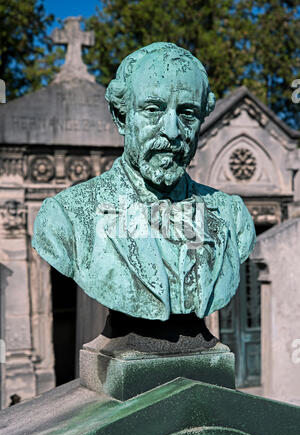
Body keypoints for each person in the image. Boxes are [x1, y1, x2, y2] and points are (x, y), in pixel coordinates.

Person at [32, 42, 255, 322]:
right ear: (122, 118)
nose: (172, 132)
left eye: (187, 113)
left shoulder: (232, 216)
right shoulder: (67, 216)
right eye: (153, 110)